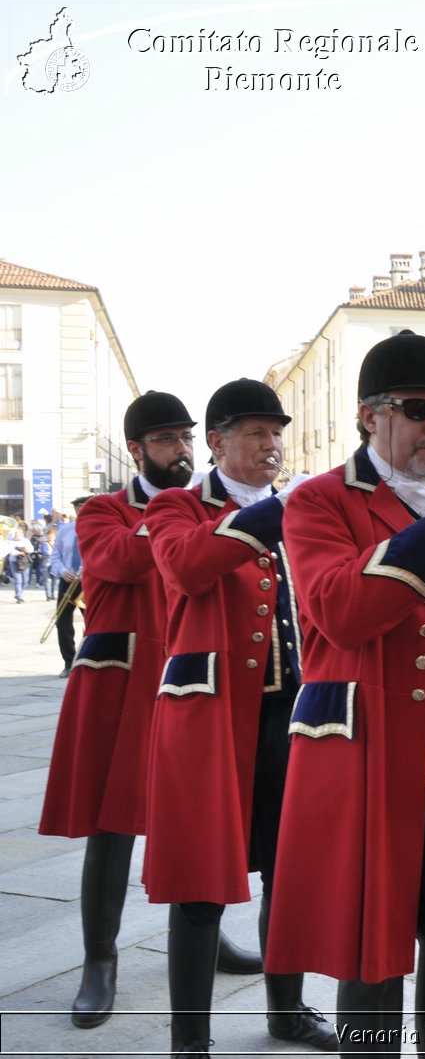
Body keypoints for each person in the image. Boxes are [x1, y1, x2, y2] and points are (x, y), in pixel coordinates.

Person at [268, 332, 425, 1055]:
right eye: (419, 407)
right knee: (371, 966)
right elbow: (340, 609)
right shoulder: (317, 502)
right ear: (371, 416)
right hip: (372, 765)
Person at [39, 394, 262, 1030]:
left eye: (186, 439)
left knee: (198, 825)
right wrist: (180, 526)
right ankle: (98, 962)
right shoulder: (104, 511)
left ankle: (206, 937)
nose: (180, 451)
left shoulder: (204, 510)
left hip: (191, 686)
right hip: (124, 689)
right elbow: (122, 558)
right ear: (136, 449)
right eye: (165, 441)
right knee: (111, 834)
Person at [143, 379, 338, 1055]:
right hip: (212, 721)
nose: (272, 445)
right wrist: (276, 512)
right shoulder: (176, 506)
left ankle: (287, 1011)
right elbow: (186, 565)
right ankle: (189, 1039)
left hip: (291, 715)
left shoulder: (299, 512)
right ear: (218, 442)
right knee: (201, 884)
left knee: (290, 872)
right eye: (256, 433)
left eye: (276, 433)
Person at [47, 496, 91, 676]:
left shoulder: (98, 528)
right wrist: (62, 570)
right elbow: (55, 556)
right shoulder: (66, 530)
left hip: (88, 582)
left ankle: (87, 659)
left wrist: (85, 569)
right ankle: (69, 661)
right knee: (62, 621)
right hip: (67, 580)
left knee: (92, 622)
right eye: (78, 509)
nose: (80, 512)